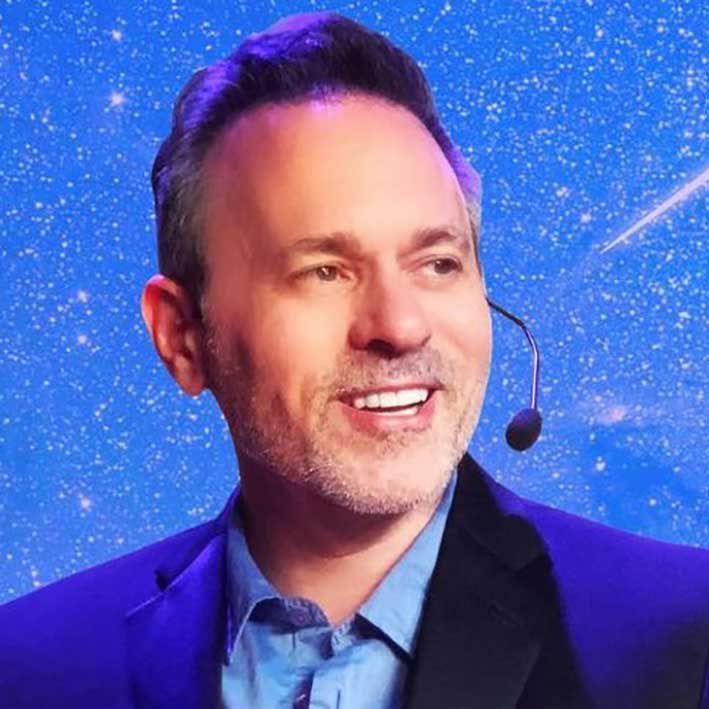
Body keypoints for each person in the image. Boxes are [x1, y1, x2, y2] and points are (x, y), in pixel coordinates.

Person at [2, 11, 709, 709]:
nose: (399, 325)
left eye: (437, 262)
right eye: (324, 271)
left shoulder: (685, 639)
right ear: (184, 337)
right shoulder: (27, 669)